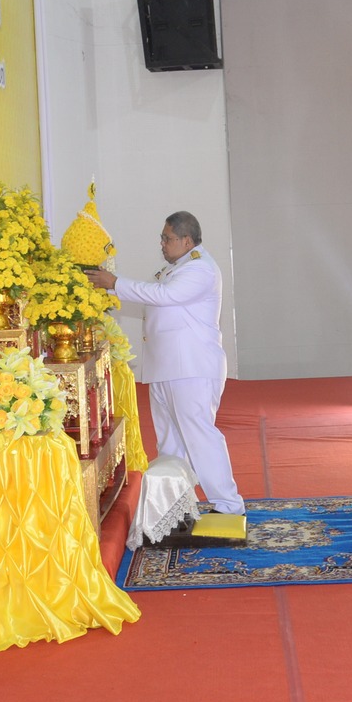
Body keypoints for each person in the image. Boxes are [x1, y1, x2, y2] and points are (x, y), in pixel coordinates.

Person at [87, 212, 244, 514]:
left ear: (186, 240)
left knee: (199, 437)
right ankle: (177, 504)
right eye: (162, 237)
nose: (161, 243)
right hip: (169, 368)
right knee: (170, 442)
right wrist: (106, 286)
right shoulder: (177, 267)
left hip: (191, 369)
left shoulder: (201, 269)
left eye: (167, 238)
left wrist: (115, 283)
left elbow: (164, 296)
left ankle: (229, 505)